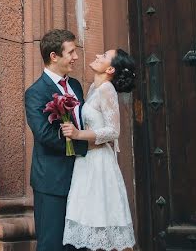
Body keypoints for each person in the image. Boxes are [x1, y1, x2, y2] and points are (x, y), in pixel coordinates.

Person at [60, 48, 137, 251]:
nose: (97, 56)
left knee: (101, 218)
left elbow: (113, 131)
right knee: (87, 220)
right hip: (86, 161)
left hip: (99, 163)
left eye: (103, 56)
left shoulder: (106, 89)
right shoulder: (94, 88)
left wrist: (78, 135)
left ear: (110, 68)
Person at [25, 29, 89, 251]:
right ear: (54, 56)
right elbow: (44, 134)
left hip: (81, 178)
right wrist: (84, 144)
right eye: (71, 52)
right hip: (52, 180)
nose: (76, 57)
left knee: (79, 244)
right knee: (52, 244)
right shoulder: (35, 92)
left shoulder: (77, 86)